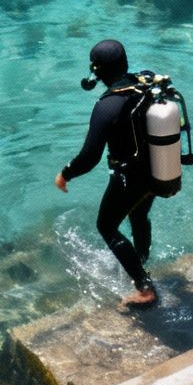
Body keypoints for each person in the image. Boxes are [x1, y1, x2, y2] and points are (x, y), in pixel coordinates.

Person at [55, 39, 160, 309]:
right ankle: (141, 258)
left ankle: (145, 287)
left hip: (133, 175)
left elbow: (89, 158)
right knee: (138, 214)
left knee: (106, 226)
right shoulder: (146, 85)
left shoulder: (107, 106)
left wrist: (65, 174)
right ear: (124, 62)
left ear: (96, 70)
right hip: (159, 168)